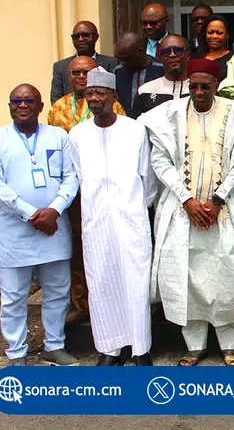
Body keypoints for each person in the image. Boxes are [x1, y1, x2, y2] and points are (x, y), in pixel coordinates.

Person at [138, 58, 234, 367]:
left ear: (216, 86)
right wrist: (186, 200)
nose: (199, 92)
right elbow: (160, 161)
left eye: (205, 86)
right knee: (185, 278)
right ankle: (195, 347)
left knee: (230, 276)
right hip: (182, 212)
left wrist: (218, 199)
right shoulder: (169, 114)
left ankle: (229, 347)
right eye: (194, 87)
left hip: (225, 211)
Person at [0, 84, 79, 366]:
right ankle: (16, 352)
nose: (22, 105)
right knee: (13, 296)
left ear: (40, 106)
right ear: (9, 106)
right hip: (16, 233)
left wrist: (54, 209)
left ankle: (54, 345)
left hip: (54, 229)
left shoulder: (58, 136)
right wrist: (33, 214)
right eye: (16, 100)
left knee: (58, 292)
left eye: (29, 100)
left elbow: (71, 177)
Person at [68, 67, 157, 366]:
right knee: (101, 282)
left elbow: (148, 178)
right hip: (96, 222)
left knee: (135, 282)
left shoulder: (135, 130)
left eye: (100, 93)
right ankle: (110, 349)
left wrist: (135, 209)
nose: (94, 98)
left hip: (131, 220)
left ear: (114, 96)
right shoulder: (78, 135)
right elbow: (80, 178)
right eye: (90, 93)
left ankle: (140, 349)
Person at [48, 55, 126, 325]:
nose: (81, 77)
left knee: (109, 248)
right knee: (78, 249)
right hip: (72, 193)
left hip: (105, 191)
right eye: (76, 73)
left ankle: (112, 301)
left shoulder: (112, 104)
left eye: (86, 72)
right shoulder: (58, 108)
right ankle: (82, 303)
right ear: (68, 77)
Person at [193, 15, 234, 82]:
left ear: (227, 35)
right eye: (210, 32)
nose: (214, 36)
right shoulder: (196, 58)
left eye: (219, 33)